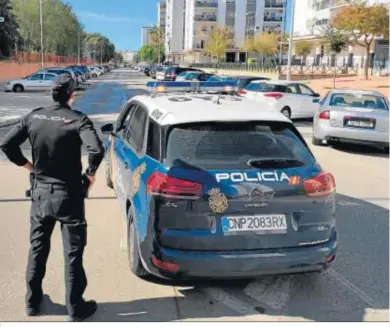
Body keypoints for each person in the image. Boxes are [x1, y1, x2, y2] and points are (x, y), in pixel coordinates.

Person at [0, 74, 105, 321]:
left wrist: (30, 167)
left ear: (51, 94)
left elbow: (6, 144)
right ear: (72, 95)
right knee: (73, 253)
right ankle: (75, 308)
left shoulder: (34, 116)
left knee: (37, 248)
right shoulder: (78, 120)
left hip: (40, 194)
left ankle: (32, 303)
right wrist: (89, 174)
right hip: (69, 196)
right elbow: (97, 150)